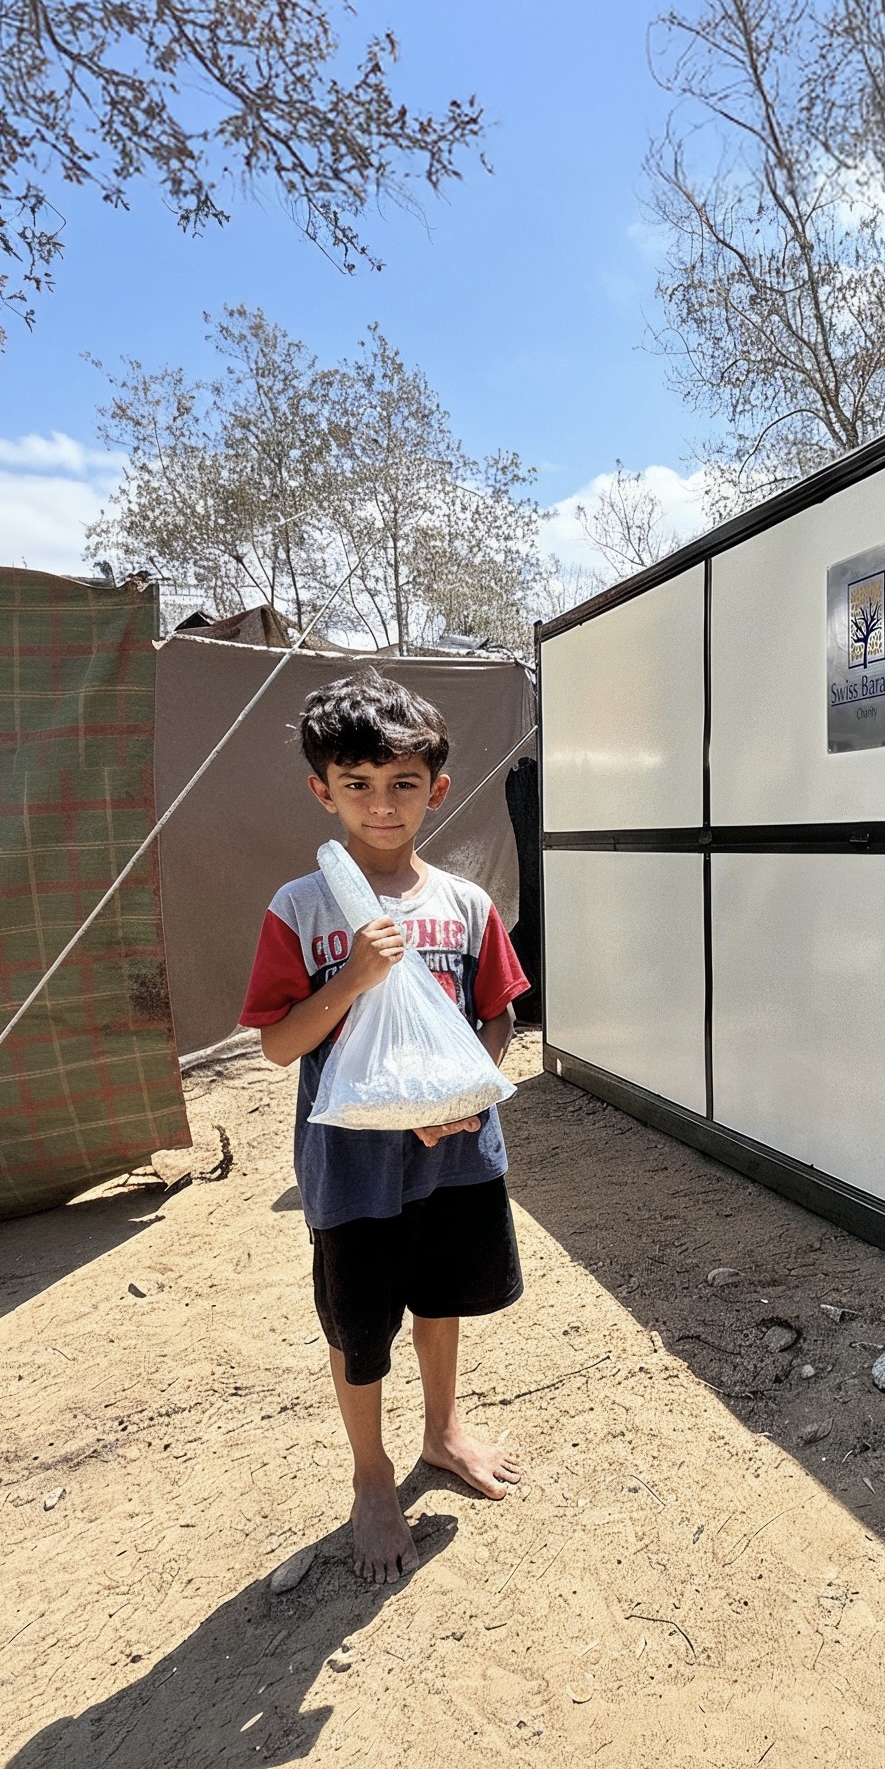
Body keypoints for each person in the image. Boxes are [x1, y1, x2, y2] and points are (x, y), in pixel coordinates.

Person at [239, 672, 530, 1583]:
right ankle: (371, 1477)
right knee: (360, 1321)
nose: (381, 805)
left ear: (436, 790)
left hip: (453, 1152)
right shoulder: (302, 909)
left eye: (403, 783)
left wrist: (466, 1101)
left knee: (439, 1293)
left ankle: (442, 1431)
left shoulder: (466, 904)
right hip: (350, 1164)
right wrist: (355, 978)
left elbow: (496, 1018)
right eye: (356, 784)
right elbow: (280, 1047)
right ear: (322, 790)